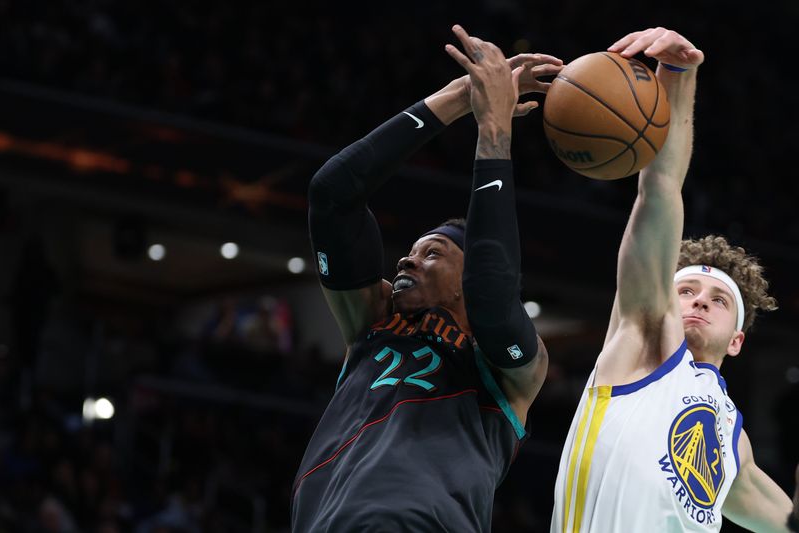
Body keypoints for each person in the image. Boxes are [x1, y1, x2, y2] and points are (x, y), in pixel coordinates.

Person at [291, 25, 562, 531]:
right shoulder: (371, 325)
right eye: (411, 252)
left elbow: (493, 291)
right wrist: (463, 96)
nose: (406, 261)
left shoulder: (506, 369)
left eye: (432, 253)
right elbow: (332, 194)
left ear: (465, 277)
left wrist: (495, 128)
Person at [550, 27, 799, 532]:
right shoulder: (644, 335)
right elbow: (660, 189)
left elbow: (787, 522)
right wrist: (679, 78)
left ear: (737, 340)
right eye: (685, 290)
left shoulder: (733, 439)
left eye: (717, 300)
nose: (698, 302)